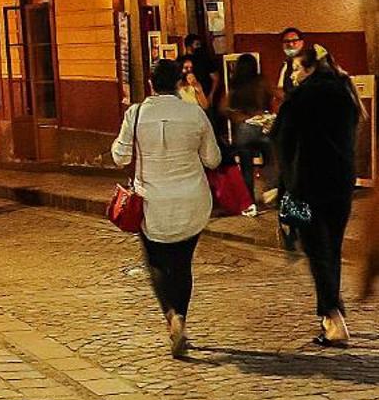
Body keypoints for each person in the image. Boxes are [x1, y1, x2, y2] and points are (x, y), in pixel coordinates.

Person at [111, 57, 221, 358]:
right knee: (183, 262)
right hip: (190, 199)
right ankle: (182, 317)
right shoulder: (195, 114)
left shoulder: (135, 114)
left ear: (150, 84)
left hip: (152, 202)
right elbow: (212, 158)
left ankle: (171, 315)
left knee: (156, 262)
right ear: (178, 83)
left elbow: (119, 157)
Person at [270, 43, 361, 346]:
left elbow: (283, 144)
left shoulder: (302, 99)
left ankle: (333, 319)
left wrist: (284, 193)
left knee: (317, 253)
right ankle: (332, 313)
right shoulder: (345, 93)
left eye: (296, 68)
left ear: (309, 68)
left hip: (306, 186)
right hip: (341, 183)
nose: (293, 75)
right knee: (331, 250)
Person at [226, 52, 276, 213]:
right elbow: (276, 95)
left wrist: (238, 116)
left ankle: (249, 201)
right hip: (261, 126)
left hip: (243, 128)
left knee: (246, 167)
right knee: (271, 160)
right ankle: (271, 194)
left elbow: (223, 107)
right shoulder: (261, 82)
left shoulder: (235, 85)